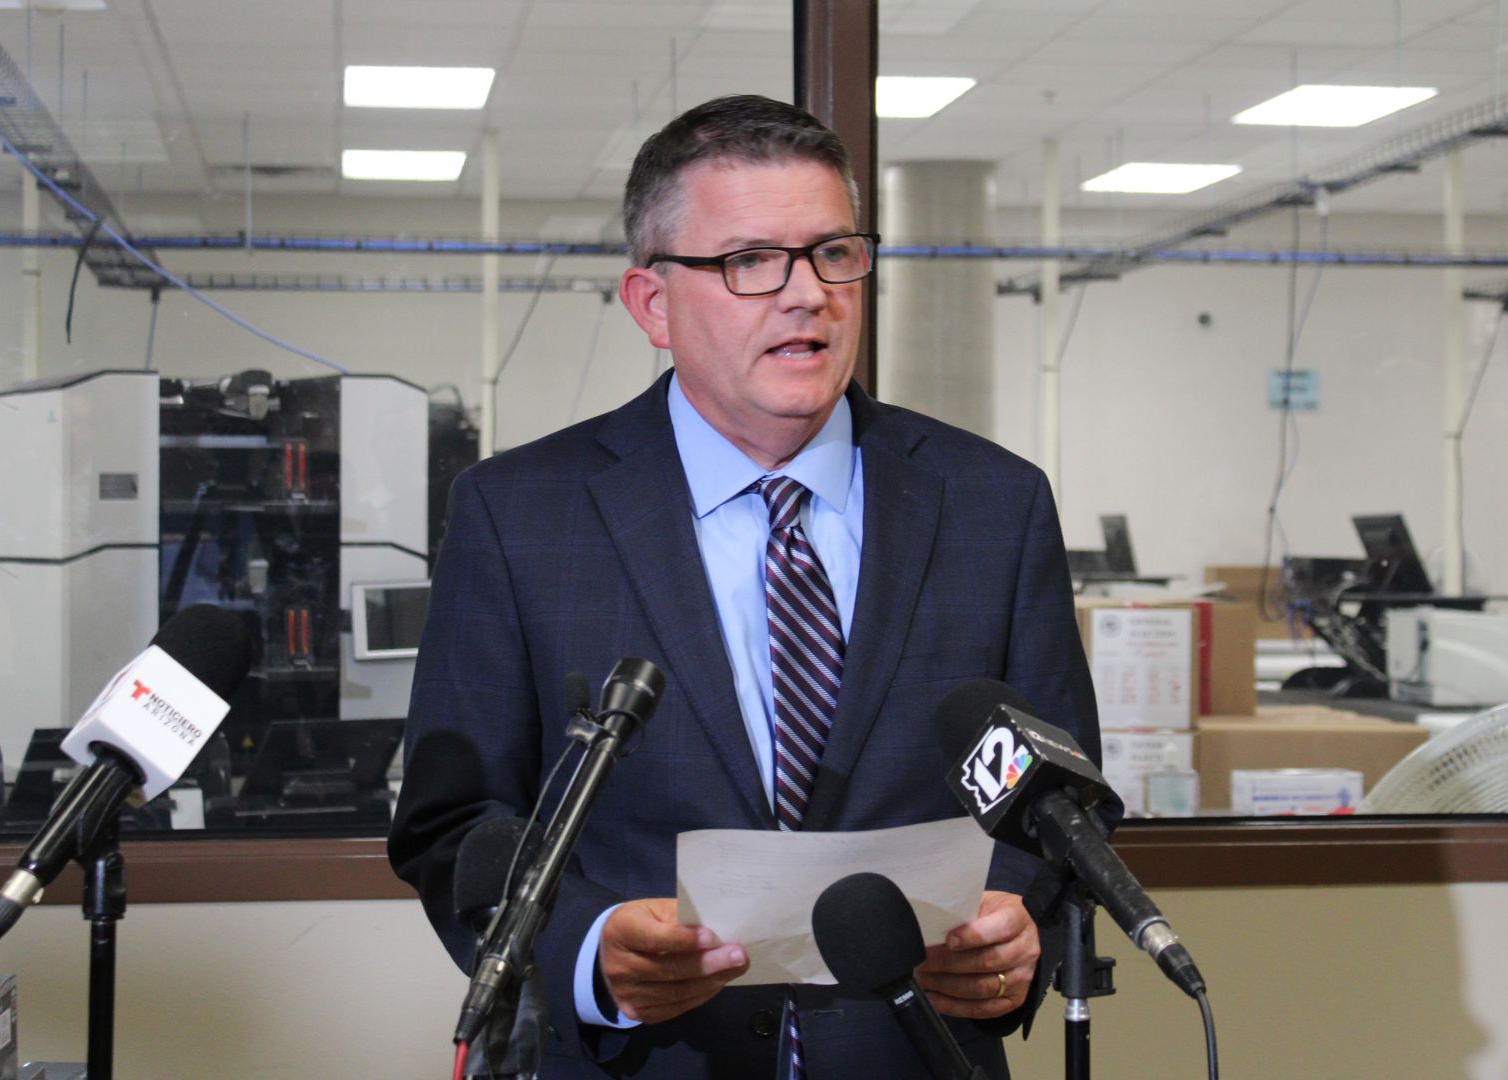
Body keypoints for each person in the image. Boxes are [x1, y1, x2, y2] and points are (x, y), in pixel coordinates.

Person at [390, 93, 1100, 1079]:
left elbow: (1062, 808)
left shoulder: (995, 506)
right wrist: (591, 951)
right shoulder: (519, 517)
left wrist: (1019, 924)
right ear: (653, 305)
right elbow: (453, 824)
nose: (807, 293)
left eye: (833, 253)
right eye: (749, 262)